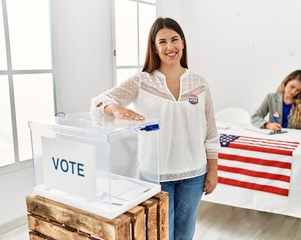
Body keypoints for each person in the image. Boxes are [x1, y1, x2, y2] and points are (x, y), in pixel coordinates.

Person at [90, 17, 219, 240]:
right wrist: (116, 108)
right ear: (155, 48)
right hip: (155, 175)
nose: (170, 47)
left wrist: (213, 169)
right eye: (163, 42)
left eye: (175, 40)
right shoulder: (142, 81)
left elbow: (210, 129)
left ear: (183, 43)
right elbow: (99, 101)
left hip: (195, 173)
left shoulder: (199, 83)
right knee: (159, 235)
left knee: (185, 234)